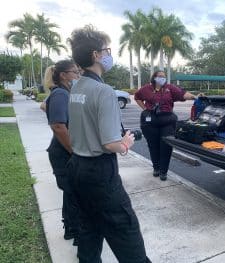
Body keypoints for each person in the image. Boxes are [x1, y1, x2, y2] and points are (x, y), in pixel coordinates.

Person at [67, 25, 151, 263]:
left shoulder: (76, 87)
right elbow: (110, 143)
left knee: (89, 231)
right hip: (100, 173)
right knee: (126, 232)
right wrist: (125, 143)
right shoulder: (103, 91)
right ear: (95, 55)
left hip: (77, 167)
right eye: (106, 50)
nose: (109, 54)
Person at [134, 70, 198, 181]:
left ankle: (163, 171)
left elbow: (183, 94)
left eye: (163, 77)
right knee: (153, 146)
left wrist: (195, 97)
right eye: (159, 76)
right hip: (150, 121)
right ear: (154, 77)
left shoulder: (170, 88)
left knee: (166, 146)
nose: (162, 78)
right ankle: (156, 168)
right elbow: (137, 97)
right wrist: (144, 108)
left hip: (167, 120)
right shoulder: (146, 89)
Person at [45, 60, 81, 245]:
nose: (77, 75)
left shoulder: (65, 93)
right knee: (74, 193)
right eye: (74, 72)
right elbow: (58, 126)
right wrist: (74, 152)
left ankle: (71, 229)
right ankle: (76, 231)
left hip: (65, 151)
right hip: (63, 153)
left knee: (71, 193)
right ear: (63, 75)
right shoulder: (60, 93)